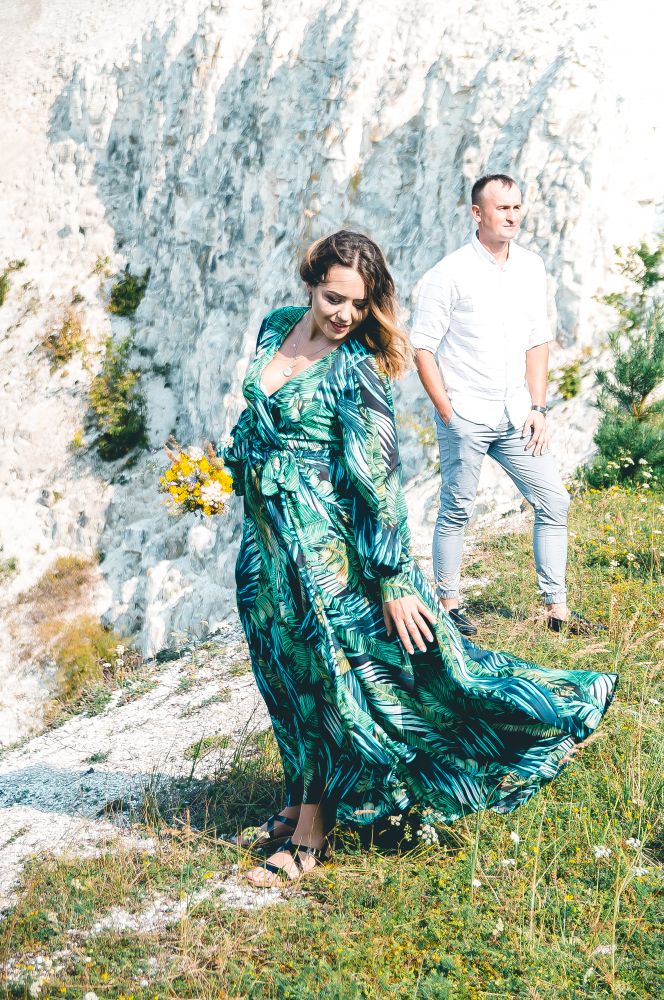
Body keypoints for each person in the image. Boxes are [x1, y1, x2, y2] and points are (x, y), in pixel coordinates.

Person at [223, 230, 616, 886]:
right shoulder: (276, 327)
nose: (344, 314)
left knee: (327, 679)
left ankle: (313, 834)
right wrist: (224, 465)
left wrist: (393, 578)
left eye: (359, 303)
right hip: (265, 544)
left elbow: (377, 479)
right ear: (311, 283)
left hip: (325, 551)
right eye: (333, 298)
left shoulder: (356, 368)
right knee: (280, 673)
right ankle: (296, 801)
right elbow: (257, 419)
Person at [411, 173, 595, 637]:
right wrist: (448, 412)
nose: (512, 216)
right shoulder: (448, 274)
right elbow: (422, 347)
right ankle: (450, 605)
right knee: (457, 508)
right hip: (466, 414)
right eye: (502, 208)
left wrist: (539, 407)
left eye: (516, 207)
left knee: (554, 499)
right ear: (478, 213)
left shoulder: (531, 266)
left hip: (517, 414)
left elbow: (538, 340)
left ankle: (557, 611)